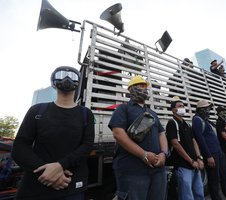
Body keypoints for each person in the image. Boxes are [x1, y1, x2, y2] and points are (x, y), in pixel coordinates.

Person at [12, 66, 95, 200]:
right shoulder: (37, 110)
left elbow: (86, 146)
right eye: (61, 74)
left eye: (73, 76)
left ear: (78, 83)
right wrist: (47, 172)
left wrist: (60, 165)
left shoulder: (85, 114)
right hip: (36, 187)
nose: (67, 79)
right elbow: (20, 147)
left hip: (70, 187)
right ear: (53, 82)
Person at [108, 75, 168, 200]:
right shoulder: (123, 109)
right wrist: (144, 154)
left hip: (158, 170)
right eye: (141, 86)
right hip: (133, 171)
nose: (144, 90)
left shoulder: (152, 113)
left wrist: (164, 153)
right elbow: (118, 134)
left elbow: (161, 134)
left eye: (145, 87)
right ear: (131, 89)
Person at [192, 99, 226, 200]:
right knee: (214, 180)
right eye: (207, 108)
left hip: (219, 152)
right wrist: (208, 156)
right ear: (201, 109)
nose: (209, 110)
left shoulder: (206, 120)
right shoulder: (197, 120)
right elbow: (200, 139)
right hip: (211, 154)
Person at [166, 99, 204, 200]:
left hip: (195, 164)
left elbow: (194, 141)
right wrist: (191, 161)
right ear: (173, 110)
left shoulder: (186, 124)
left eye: (183, 106)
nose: (183, 108)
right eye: (179, 106)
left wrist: (199, 158)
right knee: (187, 196)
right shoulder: (172, 123)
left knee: (199, 193)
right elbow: (175, 144)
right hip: (183, 166)